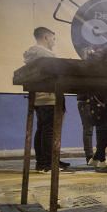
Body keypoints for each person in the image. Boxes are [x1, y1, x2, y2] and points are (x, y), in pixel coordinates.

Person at [22, 27, 70, 172]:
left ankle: (43, 162)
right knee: (50, 131)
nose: (54, 42)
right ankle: (48, 164)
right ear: (46, 37)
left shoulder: (32, 54)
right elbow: (59, 73)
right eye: (53, 39)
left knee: (42, 130)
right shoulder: (45, 55)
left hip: (39, 97)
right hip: (50, 97)